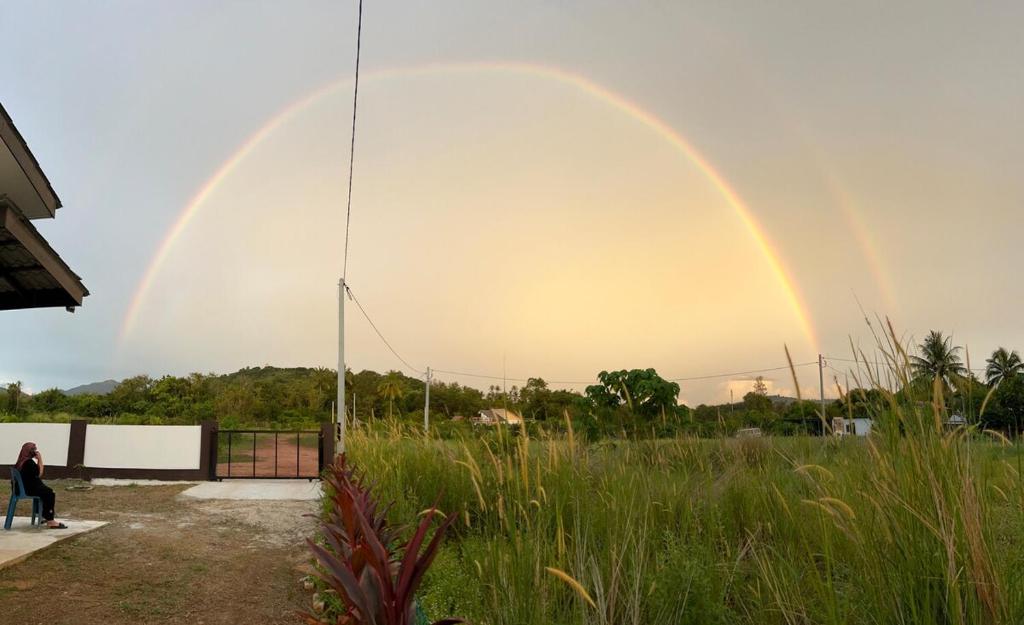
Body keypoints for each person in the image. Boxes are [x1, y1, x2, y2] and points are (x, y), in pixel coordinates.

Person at [14, 442, 67, 529]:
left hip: (20, 488)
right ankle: (50, 520)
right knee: (49, 493)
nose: (36, 451)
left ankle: (43, 515)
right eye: (34, 449)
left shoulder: (20, 461)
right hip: (27, 489)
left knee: (45, 491)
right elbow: (39, 473)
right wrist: (40, 459)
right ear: (30, 451)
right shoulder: (29, 463)